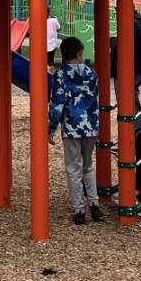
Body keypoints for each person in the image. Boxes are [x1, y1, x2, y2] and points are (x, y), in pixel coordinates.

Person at [48, 35, 102, 225]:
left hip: (71, 127)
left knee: (73, 168)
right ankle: (94, 204)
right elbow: (95, 101)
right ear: (80, 53)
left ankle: (79, 210)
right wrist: (96, 126)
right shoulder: (91, 74)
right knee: (88, 166)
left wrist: (50, 128)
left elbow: (57, 104)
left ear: (64, 55)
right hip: (90, 127)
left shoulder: (60, 75)